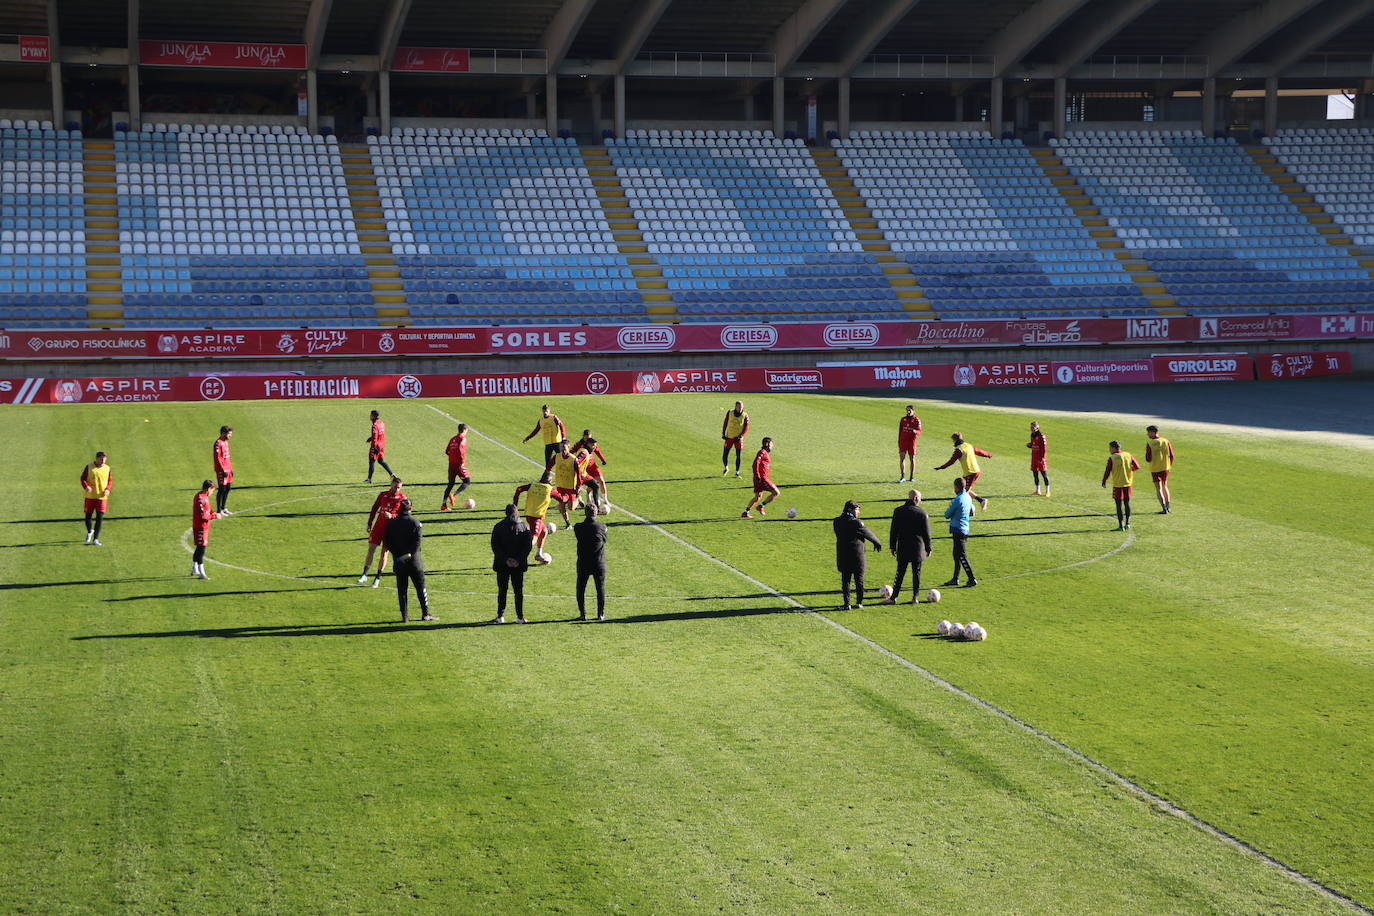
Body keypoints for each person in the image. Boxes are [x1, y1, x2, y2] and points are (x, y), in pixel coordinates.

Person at [383, 499, 435, 622]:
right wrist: (406, 557)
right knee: (421, 588)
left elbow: (387, 542)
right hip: (414, 563)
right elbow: (415, 547)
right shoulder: (415, 523)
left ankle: (405, 617)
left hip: (398, 562)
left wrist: (398, 557)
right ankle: (425, 614)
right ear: (410, 508)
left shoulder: (391, 524)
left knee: (402, 590)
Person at [886, 489, 933, 604]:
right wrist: (928, 548)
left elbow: (894, 531)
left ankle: (893, 598)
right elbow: (927, 534)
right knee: (916, 573)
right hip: (917, 548)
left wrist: (892, 546)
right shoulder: (922, 513)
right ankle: (914, 598)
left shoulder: (898, 511)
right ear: (916, 498)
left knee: (900, 573)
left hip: (903, 547)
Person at [833, 500, 882, 609]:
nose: (858, 511)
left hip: (843, 554)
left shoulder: (836, 521)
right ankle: (859, 603)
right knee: (859, 580)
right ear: (849, 509)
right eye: (857, 509)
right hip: (857, 556)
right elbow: (868, 534)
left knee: (846, 580)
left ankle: (846, 604)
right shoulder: (856, 523)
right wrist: (877, 542)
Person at [490, 503, 533, 624]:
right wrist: (518, 560)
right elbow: (528, 546)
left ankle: (500, 616)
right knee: (518, 591)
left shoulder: (499, 526)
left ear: (506, 513)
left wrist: (505, 559)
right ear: (516, 512)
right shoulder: (524, 527)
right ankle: (520, 617)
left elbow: (495, 546)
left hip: (502, 564)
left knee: (502, 590)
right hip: (518, 566)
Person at [358, 477, 405, 587]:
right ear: (391, 485)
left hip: (391, 530)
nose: (396, 489)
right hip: (378, 527)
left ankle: (377, 578)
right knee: (371, 549)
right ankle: (364, 575)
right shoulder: (383, 495)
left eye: (398, 488)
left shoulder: (402, 499)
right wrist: (369, 523)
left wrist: (392, 515)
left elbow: (405, 515)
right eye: (395, 487)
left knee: (384, 553)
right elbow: (374, 508)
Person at [933, 432, 991, 510]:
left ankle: (969, 509)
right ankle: (981, 500)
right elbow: (979, 451)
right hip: (971, 471)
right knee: (965, 490)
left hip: (971, 472)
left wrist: (941, 467)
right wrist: (988, 454)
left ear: (954, 440)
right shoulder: (968, 445)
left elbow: (951, 461)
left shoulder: (959, 450)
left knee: (963, 493)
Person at [574, 503, 608, 621]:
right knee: (600, 588)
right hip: (599, 563)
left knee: (580, 589)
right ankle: (600, 614)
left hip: (583, 562)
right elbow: (605, 539)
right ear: (596, 513)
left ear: (585, 513)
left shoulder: (578, 527)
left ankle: (582, 614)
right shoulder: (602, 527)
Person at [512, 471, 556, 564]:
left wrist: (515, 504)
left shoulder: (533, 485)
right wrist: (567, 497)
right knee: (533, 539)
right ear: (550, 480)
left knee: (544, 531)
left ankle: (538, 554)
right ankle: (518, 556)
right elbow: (561, 499)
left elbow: (519, 489)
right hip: (536, 517)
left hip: (529, 514)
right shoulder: (550, 489)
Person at [942, 477, 978, 588]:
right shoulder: (968, 497)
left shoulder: (957, 500)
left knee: (961, 556)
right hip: (965, 528)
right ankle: (955, 578)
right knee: (956, 555)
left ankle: (972, 579)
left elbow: (947, 514)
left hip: (958, 530)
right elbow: (971, 512)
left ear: (956, 487)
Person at [1101, 440, 1141, 531]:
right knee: (1127, 503)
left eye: (1110, 448)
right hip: (1128, 483)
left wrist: (1104, 481)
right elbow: (1137, 466)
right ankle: (1127, 523)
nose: (1109, 450)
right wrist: (1130, 470)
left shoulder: (1112, 458)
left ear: (1114, 448)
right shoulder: (1128, 455)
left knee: (1118, 505)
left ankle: (1120, 526)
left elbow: (1108, 471)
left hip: (1118, 484)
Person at [545, 439, 583, 527]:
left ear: (568, 446)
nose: (562, 449)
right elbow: (549, 466)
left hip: (570, 487)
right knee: (561, 506)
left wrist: (577, 488)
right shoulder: (557, 456)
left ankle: (578, 499)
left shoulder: (574, 459)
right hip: (560, 486)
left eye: (564, 447)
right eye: (561, 447)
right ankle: (568, 524)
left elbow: (579, 475)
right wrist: (547, 476)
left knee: (571, 508)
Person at [80, 451, 112, 546]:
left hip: (102, 497)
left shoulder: (107, 468)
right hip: (90, 497)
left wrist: (108, 489)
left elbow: (110, 480)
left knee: (99, 518)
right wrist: (86, 486)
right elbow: (83, 478)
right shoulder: (89, 467)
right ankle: (90, 531)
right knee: (88, 517)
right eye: (101, 459)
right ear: (96, 459)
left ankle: (96, 539)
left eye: (104, 459)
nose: (103, 461)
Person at [572, 429, 609, 510]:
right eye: (586, 438)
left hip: (592, 467)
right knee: (577, 488)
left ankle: (603, 501)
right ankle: (576, 499)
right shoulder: (582, 449)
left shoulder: (592, 444)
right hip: (582, 470)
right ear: (583, 437)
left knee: (598, 483)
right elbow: (573, 454)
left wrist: (603, 460)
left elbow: (597, 450)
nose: (594, 447)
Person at [741, 437, 778, 518]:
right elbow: (755, 463)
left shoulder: (764, 453)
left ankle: (745, 513)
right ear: (767, 444)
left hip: (758, 478)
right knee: (776, 492)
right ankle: (760, 506)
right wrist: (757, 474)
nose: (772, 446)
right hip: (762, 478)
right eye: (771, 444)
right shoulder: (762, 452)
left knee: (757, 497)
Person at [190, 479, 218, 579]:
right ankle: (202, 573)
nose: (212, 492)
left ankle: (194, 568)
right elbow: (203, 517)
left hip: (203, 527)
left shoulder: (203, 496)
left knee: (199, 548)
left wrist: (213, 512)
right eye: (212, 490)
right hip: (200, 527)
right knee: (201, 549)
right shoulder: (200, 499)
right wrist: (214, 516)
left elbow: (208, 510)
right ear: (208, 489)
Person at [1145, 425, 1175, 514]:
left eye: (1148, 432)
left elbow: (1148, 458)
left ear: (1153, 432)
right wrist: (1169, 466)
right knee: (1165, 486)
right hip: (1165, 467)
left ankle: (1164, 508)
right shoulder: (1166, 441)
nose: (1147, 434)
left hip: (1155, 468)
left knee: (1158, 489)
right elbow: (1172, 455)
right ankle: (1168, 507)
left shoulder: (1150, 443)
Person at [441, 422, 470, 510]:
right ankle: (454, 495)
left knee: (450, 484)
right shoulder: (462, 439)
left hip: (451, 464)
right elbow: (461, 450)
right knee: (467, 481)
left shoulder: (452, 439)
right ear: (464, 430)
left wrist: (452, 457)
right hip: (459, 464)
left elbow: (447, 451)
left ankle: (443, 505)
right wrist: (461, 462)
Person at [721, 400, 750, 477]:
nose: (740, 408)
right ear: (735, 407)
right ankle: (726, 468)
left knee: (738, 455)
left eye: (741, 407)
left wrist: (741, 436)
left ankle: (737, 472)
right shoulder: (730, 413)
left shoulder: (745, 415)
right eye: (738, 407)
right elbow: (725, 422)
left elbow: (746, 427)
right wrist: (723, 433)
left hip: (738, 439)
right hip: (729, 437)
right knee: (725, 454)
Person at [365, 410, 394, 483]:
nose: (370, 416)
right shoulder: (381, 423)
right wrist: (370, 438)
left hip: (376, 445)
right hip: (382, 444)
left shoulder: (374, 425)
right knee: (381, 461)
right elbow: (380, 434)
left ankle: (369, 479)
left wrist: (373, 447)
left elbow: (375, 437)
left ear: (373, 416)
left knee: (371, 461)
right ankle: (392, 474)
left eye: (371, 415)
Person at [897, 404, 922, 483]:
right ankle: (902, 477)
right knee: (902, 459)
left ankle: (911, 477)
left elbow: (919, 431)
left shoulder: (917, 420)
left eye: (909, 410)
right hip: (903, 442)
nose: (908, 411)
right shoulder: (903, 419)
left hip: (911, 442)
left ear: (913, 411)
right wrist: (899, 441)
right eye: (907, 410)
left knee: (912, 459)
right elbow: (900, 431)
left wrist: (914, 431)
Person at [213, 425, 234, 515]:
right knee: (222, 489)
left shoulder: (225, 442)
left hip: (228, 469)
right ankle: (219, 510)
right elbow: (218, 458)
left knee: (228, 488)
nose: (230, 436)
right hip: (222, 470)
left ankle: (223, 508)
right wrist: (223, 470)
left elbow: (227, 458)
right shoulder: (218, 443)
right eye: (229, 434)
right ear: (223, 433)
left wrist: (230, 469)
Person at [1027, 421, 1050, 497]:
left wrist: (1042, 458)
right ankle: (1038, 490)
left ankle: (1048, 491)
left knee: (1044, 475)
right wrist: (1030, 445)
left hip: (1040, 459)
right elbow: (1034, 444)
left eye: (1033, 427)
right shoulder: (1032, 435)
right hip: (1034, 458)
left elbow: (1044, 448)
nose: (1032, 428)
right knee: (1035, 474)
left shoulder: (1041, 436)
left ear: (1037, 427)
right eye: (1031, 427)